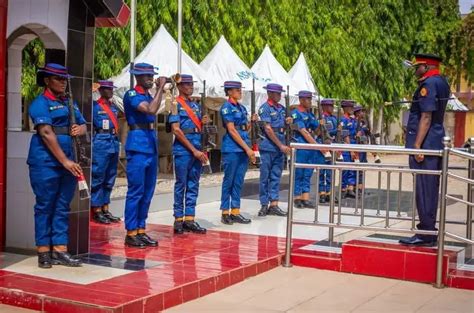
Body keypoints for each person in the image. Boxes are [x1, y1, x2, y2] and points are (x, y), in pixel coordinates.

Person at [28, 63, 87, 268]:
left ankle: (60, 250)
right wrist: (65, 161)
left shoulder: (69, 103)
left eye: (64, 79)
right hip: (46, 162)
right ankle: (43, 250)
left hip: (68, 162)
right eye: (58, 79)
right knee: (45, 206)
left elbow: (84, 124)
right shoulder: (40, 103)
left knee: (62, 206)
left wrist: (80, 129)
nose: (63, 82)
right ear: (47, 80)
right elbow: (45, 132)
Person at [399, 53, 450, 246]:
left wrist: (417, 145)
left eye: (417, 67)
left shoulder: (428, 85)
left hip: (426, 144)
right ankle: (427, 230)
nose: (415, 70)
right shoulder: (441, 81)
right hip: (434, 141)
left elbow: (426, 117)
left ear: (426, 67)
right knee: (428, 188)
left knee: (425, 189)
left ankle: (426, 233)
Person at [123, 63, 166, 248]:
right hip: (138, 145)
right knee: (136, 191)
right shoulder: (132, 95)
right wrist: (160, 88)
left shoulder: (149, 95)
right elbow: (150, 110)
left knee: (147, 192)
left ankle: (141, 229)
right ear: (137, 77)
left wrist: (158, 91)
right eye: (146, 76)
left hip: (150, 144)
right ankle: (131, 232)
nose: (150, 78)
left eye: (151, 75)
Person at [168, 74, 207, 234]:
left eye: (191, 84)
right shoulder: (175, 103)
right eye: (187, 84)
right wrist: (194, 150)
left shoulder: (196, 105)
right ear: (179, 86)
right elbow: (176, 129)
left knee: (193, 183)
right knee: (181, 184)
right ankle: (178, 218)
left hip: (197, 146)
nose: (190, 87)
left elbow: (197, 127)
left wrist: (203, 123)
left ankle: (189, 218)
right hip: (184, 149)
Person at [219, 81, 255, 225]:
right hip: (232, 148)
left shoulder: (242, 108)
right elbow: (232, 130)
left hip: (242, 147)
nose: (240, 92)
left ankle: (235, 210)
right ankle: (225, 212)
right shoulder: (227, 108)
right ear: (229, 92)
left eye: (240, 89)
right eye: (237, 90)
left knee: (239, 181)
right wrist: (247, 148)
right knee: (229, 180)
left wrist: (251, 123)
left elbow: (244, 130)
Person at [256, 83, 291, 217]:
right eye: (277, 93)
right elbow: (268, 129)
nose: (280, 96)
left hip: (280, 146)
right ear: (270, 93)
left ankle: (274, 204)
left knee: (276, 176)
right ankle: (264, 204)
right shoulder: (265, 108)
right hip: (269, 146)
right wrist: (280, 145)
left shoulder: (282, 109)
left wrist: (288, 121)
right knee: (265, 176)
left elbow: (285, 126)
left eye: (280, 93)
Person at [91, 80, 121, 224]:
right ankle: (96, 209)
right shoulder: (94, 106)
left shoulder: (113, 106)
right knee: (98, 176)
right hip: (101, 142)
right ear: (101, 90)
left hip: (113, 141)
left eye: (111, 89)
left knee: (110, 177)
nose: (110, 92)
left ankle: (105, 207)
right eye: (107, 89)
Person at [292, 91, 324, 209]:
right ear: (301, 100)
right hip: (301, 146)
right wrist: (317, 146)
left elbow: (316, 131)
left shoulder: (310, 114)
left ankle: (305, 198)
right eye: (307, 99)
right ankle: (297, 197)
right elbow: (303, 132)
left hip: (310, 147)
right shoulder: (296, 114)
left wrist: (321, 125)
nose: (310, 101)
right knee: (299, 173)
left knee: (308, 173)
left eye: (310, 99)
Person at [318, 99, 338, 203]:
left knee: (330, 171)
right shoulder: (322, 118)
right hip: (323, 145)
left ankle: (330, 193)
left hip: (331, 145)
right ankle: (322, 193)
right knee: (322, 170)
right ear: (325, 107)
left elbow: (333, 132)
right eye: (330, 106)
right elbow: (323, 131)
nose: (332, 108)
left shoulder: (334, 118)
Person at [340, 100, 358, 199]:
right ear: (345, 108)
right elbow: (345, 135)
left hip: (353, 144)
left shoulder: (352, 120)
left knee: (352, 168)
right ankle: (343, 189)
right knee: (345, 168)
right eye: (350, 108)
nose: (352, 109)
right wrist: (350, 149)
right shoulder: (343, 120)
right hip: (347, 146)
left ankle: (350, 189)